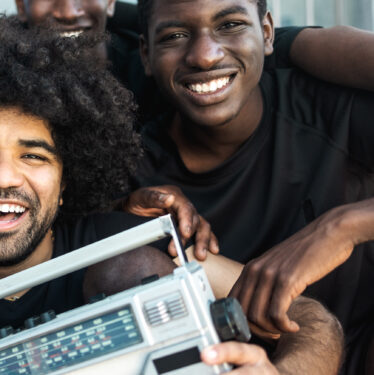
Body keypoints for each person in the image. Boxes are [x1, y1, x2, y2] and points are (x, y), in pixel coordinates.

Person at [0, 16, 342, 374]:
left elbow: (314, 320)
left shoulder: (123, 246)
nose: (3, 177)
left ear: (68, 180)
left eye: (33, 156)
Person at [134, 0, 374, 373]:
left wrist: (341, 228)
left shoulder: (326, 107)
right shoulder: (137, 175)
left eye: (229, 25)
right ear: (146, 55)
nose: (205, 56)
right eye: (176, 35)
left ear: (265, 33)